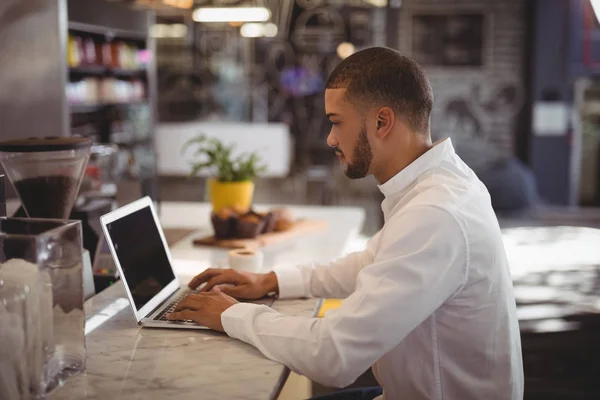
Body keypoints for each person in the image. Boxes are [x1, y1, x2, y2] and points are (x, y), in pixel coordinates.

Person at [167, 47, 524, 400]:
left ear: (382, 122)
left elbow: (333, 356)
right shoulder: (440, 182)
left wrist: (233, 315)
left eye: (337, 122)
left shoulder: (435, 213)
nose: (330, 138)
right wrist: (270, 280)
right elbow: (373, 261)